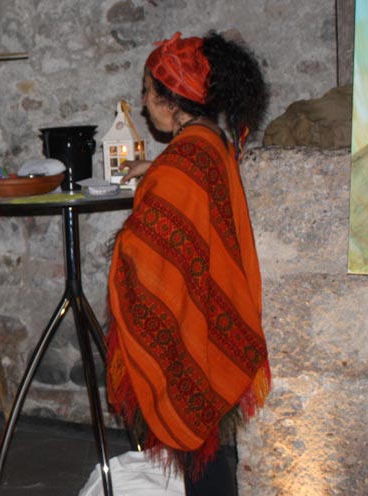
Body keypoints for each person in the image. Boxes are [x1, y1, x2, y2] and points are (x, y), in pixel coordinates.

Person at [105, 31, 271, 495]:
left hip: (191, 329)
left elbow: (149, 251)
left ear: (171, 100)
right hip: (214, 319)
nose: (143, 103)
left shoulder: (184, 161)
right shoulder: (208, 141)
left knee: (200, 446)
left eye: (147, 91)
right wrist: (155, 170)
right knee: (211, 446)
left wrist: (128, 236)